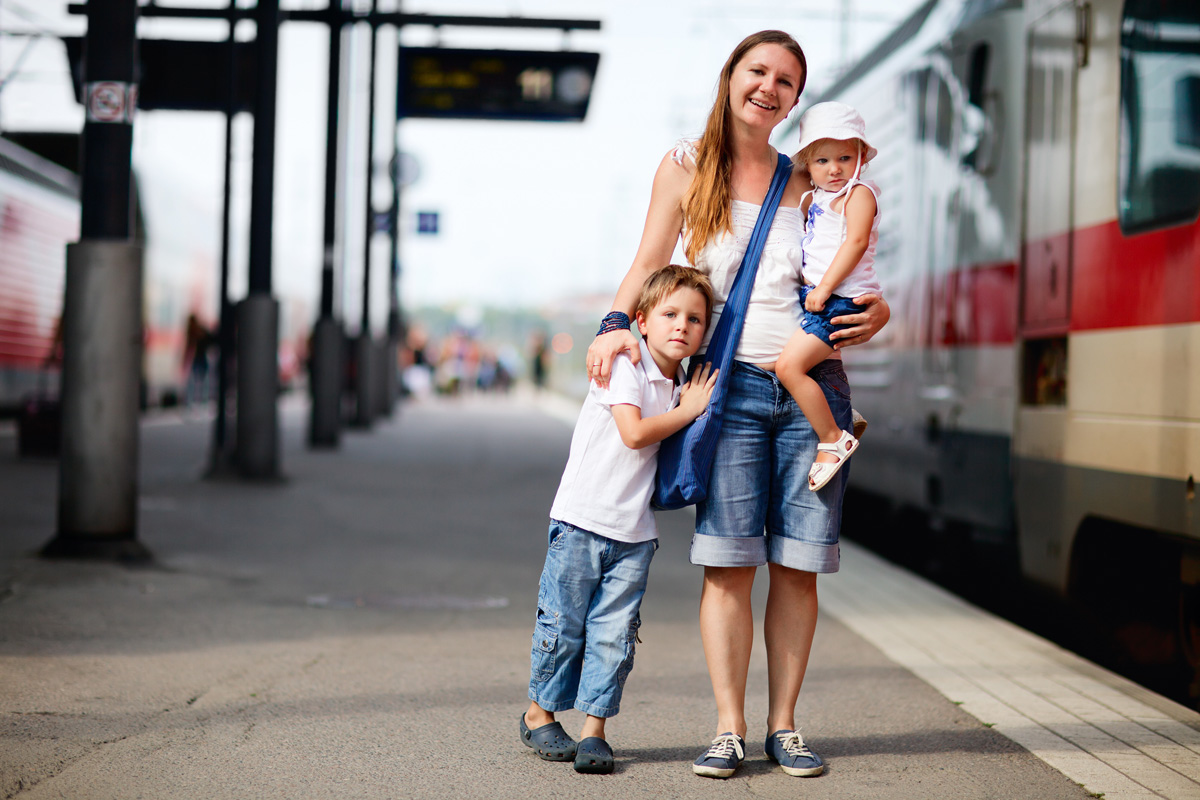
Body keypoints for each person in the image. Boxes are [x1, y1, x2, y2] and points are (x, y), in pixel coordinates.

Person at [585, 31, 890, 780]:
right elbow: (651, 258)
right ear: (732, 76)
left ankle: (785, 727)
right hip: (727, 393)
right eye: (759, 71)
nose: (770, 87)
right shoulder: (688, 166)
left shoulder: (810, 181)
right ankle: (728, 728)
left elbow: (851, 271)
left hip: (811, 392)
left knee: (799, 567)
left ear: (797, 99)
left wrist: (877, 315)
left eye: (787, 79)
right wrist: (614, 325)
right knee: (728, 566)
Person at [522, 265, 719, 775]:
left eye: (695, 319)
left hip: (634, 534)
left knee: (613, 634)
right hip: (581, 522)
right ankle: (538, 712)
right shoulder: (625, 364)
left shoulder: (681, 382)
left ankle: (594, 731)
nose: (682, 326)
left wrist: (690, 400)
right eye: (669, 314)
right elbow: (634, 433)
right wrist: (691, 409)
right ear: (642, 322)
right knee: (564, 625)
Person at [774, 102, 882, 491]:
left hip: (839, 300)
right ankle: (841, 417)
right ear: (808, 164)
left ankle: (834, 438)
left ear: (861, 158)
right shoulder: (816, 199)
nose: (834, 168)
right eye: (822, 160)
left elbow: (854, 243)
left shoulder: (859, 195)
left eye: (844, 157)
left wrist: (821, 289)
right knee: (794, 363)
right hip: (822, 297)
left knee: (789, 367)